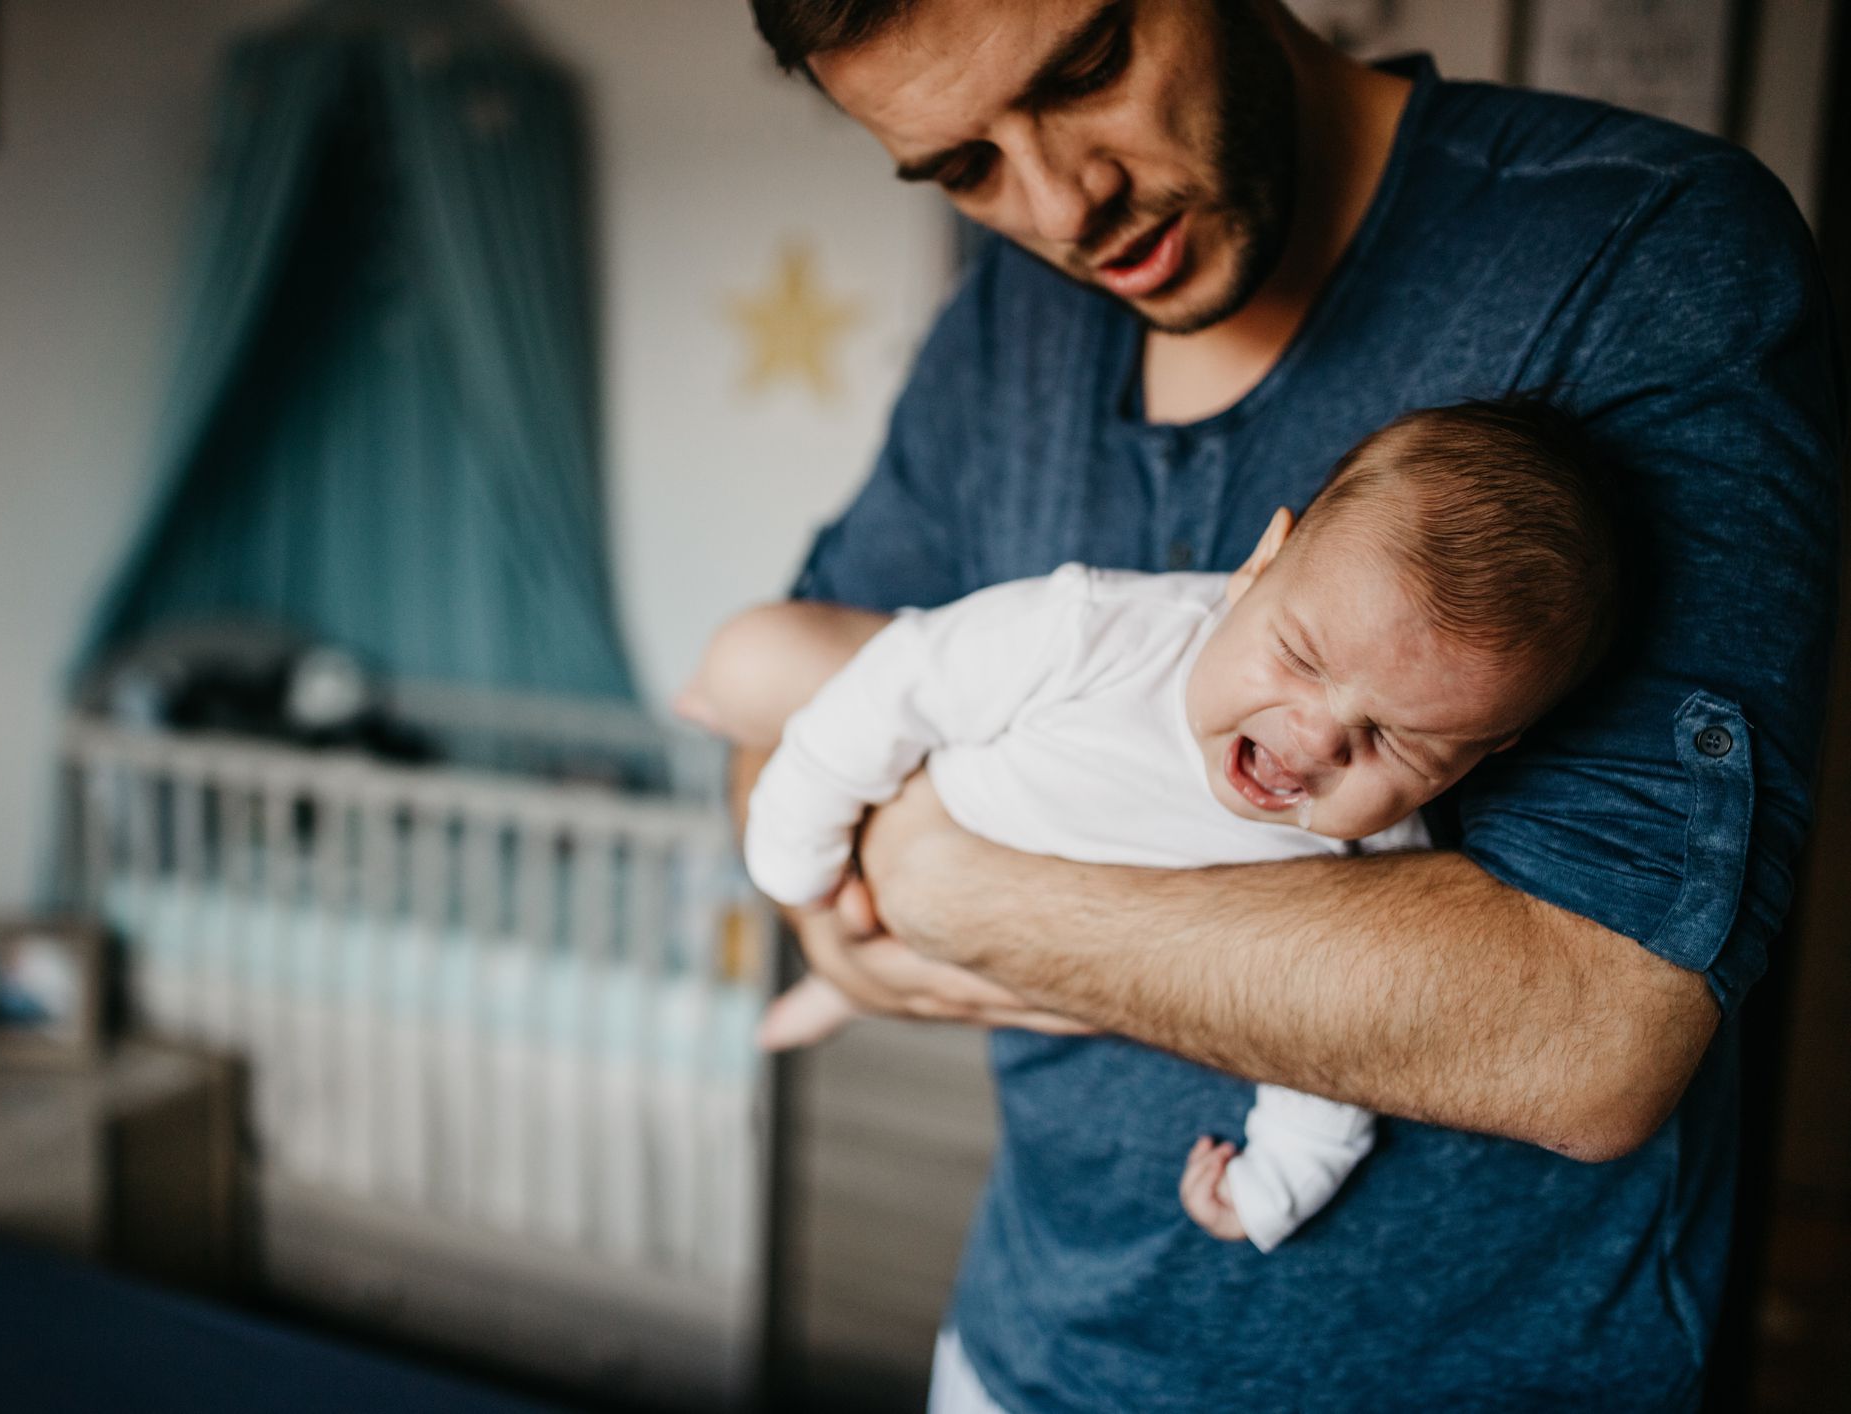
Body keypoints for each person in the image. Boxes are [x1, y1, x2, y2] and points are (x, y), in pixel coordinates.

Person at [734, 0, 1841, 1407]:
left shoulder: (1642, 255)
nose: (1064, 200)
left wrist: (930, 875)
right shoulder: (1002, 330)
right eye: (963, 168)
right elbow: (790, 691)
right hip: (1027, 1350)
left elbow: (1591, 1036)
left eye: (1086, 71)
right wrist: (819, 914)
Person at [687, 400, 1619, 1253]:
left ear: (1479, 756)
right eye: (1298, 656)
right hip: (944, 791)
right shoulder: (1102, 629)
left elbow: (1327, 1030)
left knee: (950, 954)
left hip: (1027, 943)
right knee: (766, 664)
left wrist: (1281, 1179)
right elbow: (901, 684)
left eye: (1395, 741)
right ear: (1257, 568)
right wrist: (796, 851)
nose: (1312, 740)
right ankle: (844, 967)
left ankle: (851, 979)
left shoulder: (1369, 857)